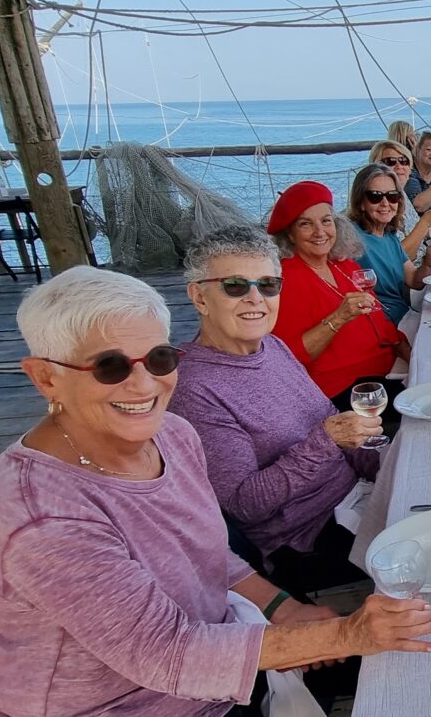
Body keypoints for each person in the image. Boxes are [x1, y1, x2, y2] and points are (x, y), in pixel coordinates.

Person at [0, 266, 431, 716]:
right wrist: (346, 635)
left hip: (225, 649)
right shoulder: (40, 517)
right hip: (133, 704)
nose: (143, 384)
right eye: (110, 367)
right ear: (45, 377)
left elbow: (209, 550)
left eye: (159, 358)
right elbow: (166, 654)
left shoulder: (172, 435)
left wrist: (282, 608)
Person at [170, 225, 387, 602]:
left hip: (356, 496)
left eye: (268, 285)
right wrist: (328, 441)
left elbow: (329, 422)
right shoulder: (194, 389)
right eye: (235, 286)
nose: (256, 298)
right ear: (199, 297)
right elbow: (245, 505)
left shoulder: (272, 346)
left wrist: (384, 469)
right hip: (309, 538)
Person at [267, 181, 409, 408]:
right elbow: (289, 357)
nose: (320, 232)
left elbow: (381, 323)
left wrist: (410, 354)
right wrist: (339, 317)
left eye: (326, 221)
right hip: (343, 388)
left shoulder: (344, 265)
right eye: (305, 224)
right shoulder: (287, 280)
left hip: (387, 368)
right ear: (290, 235)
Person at [348, 163, 431, 324]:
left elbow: (415, 281)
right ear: (360, 202)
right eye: (375, 196)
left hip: (404, 317)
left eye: (392, 196)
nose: (385, 203)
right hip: (384, 325)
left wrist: (428, 261)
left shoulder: (389, 234)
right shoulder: (351, 239)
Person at [368, 140, 431, 266]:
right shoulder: (377, 204)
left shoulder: (401, 194)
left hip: (425, 262)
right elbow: (398, 256)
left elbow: (417, 231)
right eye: (390, 162)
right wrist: (426, 222)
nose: (399, 166)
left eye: (404, 161)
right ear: (374, 166)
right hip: (412, 272)